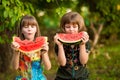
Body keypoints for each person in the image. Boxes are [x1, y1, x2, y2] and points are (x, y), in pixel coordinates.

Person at [11, 15, 51, 80]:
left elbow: (48, 67)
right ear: (21, 30)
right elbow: (14, 68)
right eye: (26, 27)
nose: (29, 29)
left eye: (32, 27)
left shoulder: (42, 45)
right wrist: (16, 52)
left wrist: (44, 53)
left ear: (36, 30)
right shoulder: (17, 45)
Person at [54, 12, 91, 80]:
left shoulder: (86, 42)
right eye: (68, 27)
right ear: (63, 27)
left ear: (79, 27)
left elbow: (83, 61)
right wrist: (60, 46)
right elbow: (62, 63)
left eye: (74, 27)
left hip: (82, 76)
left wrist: (82, 44)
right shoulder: (59, 42)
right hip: (63, 77)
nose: (71, 29)